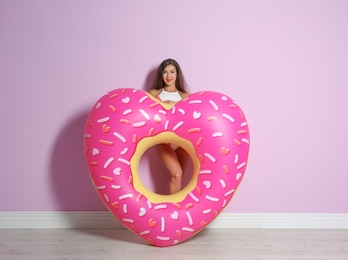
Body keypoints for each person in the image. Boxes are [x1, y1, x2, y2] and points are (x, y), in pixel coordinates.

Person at [148, 58, 189, 195]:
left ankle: (175, 214)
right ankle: (173, 211)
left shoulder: (185, 96)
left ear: (177, 74)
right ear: (161, 74)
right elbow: (146, 115)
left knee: (178, 178)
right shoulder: (154, 94)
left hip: (182, 142)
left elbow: (190, 120)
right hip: (163, 142)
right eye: (165, 72)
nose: (169, 76)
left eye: (172, 72)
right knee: (176, 174)